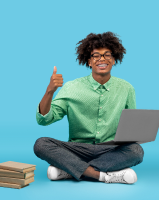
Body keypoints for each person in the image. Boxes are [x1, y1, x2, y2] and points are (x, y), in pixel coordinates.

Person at [34, 32, 144, 184]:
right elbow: (45, 120)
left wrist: (137, 133)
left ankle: (69, 170)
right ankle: (102, 175)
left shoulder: (127, 88)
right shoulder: (71, 87)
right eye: (96, 56)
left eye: (107, 55)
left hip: (109, 150)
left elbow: (130, 128)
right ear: (89, 61)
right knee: (41, 144)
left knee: (136, 151)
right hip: (77, 149)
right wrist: (49, 92)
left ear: (113, 59)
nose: (102, 59)